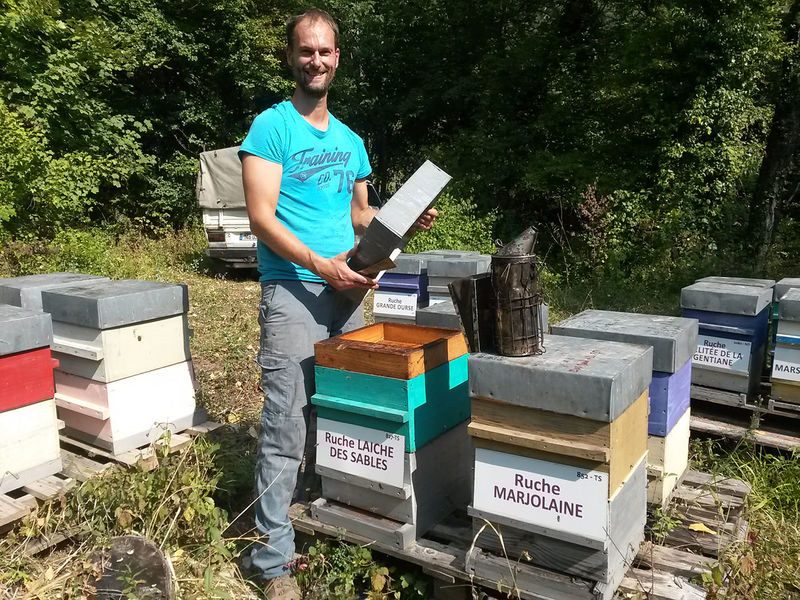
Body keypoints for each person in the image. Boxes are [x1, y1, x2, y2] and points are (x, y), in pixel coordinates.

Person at [239, 9, 436, 598]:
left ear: (338, 59)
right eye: (306, 51)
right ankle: (272, 560)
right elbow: (260, 217)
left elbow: (358, 215)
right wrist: (319, 265)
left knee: (342, 408)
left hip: (348, 289)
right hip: (294, 290)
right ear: (291, 57)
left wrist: (402, 223)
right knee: (285, 419)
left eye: (325, 52)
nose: (316, 61)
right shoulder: (271, 128)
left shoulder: (351, 141)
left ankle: (322, 516)